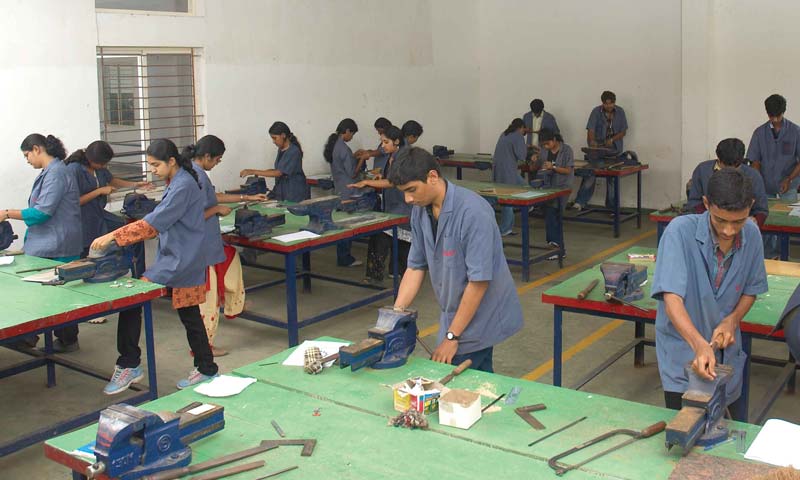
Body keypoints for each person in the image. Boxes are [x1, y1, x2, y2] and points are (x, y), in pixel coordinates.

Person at [91, 139, 219, 393]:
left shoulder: (183, 185)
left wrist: (113, 236)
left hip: (180, 260)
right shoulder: (179, 179)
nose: (152, 170)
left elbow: (155, 223)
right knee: (190, 314)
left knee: (132, 299)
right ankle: (207, 368)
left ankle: (129, 364)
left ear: (171, 161)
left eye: (155, 165)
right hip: (183, 256)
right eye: (150, 165)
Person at [388, 147, 523, 372]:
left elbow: (479, 282)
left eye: (412, 190)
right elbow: (415, 267)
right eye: (403, 192)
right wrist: (395, 315)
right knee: (475, 380)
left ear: (432, 177)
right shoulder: (421, 211)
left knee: (456, 375)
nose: (408, 199)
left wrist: (452, 336)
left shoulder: (473, 212)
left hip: (482, 313)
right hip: (454, 310)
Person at [651, 168, 767, 421]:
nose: (728, 231)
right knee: (686, 429)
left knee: (728, 430)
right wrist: (699, 344)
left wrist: (732, 320)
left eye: (738, 221)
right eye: (720, 220)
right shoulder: (679, 232)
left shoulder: (752, 234)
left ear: (750, 206)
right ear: (706, 204)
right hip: (683, 354)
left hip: (727, 358)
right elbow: (672, 299)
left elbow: (751, 289)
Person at [1, 134, 82, 352]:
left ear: (37, 149)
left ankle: (37, 337)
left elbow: (41, 212)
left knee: (54, 295)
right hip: (54, 240)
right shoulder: (52, 171)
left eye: (27, 155)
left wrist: (7, 213)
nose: (27, 160)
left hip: (58, 243)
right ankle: (64, 339)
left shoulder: (56, 173)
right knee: (58, 295)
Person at [188, 135, 262, 357]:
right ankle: (203, 348)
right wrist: (216, 210)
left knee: (231, 257)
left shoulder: (197, 173)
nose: (217, 164)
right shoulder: (195, 176)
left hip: (209, 243)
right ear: (207, 156)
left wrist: (246, 197)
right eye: (217, 160)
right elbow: (191, 216)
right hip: (200, 247)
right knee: (208, 298)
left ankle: (234, 304)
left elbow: (214, 196)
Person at [64, 140, 152, 324]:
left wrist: (136, 185)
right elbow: (74, 201)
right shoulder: (74, 170)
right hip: (83, 220)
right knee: (89, 261)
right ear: (91, 159)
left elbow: (112, 180)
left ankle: (136, 278)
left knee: (129, 233)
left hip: (99, 215)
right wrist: (99, 191)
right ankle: (89, 305)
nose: (104, 167)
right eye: (102, 163)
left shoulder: (100, 170)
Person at [348, 126, 411, 285]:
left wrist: (366, 182)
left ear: (397, 141)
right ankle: (387, 274)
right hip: (392, 206)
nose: (383, 145)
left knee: (391, 242)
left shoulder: (403, 157)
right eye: (382, 142)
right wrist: (379, 177)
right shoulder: (392, 156)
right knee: (387, 241)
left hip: (403, 207)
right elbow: (389, 178)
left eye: (386, 142)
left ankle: (395, 275)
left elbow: (392, 182)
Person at [687, 138, 769, 227]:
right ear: (718, 159)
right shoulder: (702, 170)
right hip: (708, 226)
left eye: (736, 167)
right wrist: (710, 220)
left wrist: (755, 221)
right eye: (725, 168)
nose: (730, 172)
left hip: (741, 228)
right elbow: (694, 201)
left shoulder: (753, 176)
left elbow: (761, 209)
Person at [573, 91, 628, 210]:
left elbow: (623, 131)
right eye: (606, 104)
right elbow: (591, 129)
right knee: (590, 174)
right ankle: (580, 202)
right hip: (597, 150)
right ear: (602, 103)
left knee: (612, 178)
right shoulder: (596, 112)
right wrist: (592, 142)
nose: (609, 106)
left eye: (611, 103)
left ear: (614, 102)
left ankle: (612, 208)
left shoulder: (620, 112)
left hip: (614, 150)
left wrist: (612, 139)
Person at [324, 118, 363, 267]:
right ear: (347, 131)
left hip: (339, 188)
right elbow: (352, 173)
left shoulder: (334, 145)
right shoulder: (344, 149)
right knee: (348, 225)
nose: (351, 137)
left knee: (341, 223)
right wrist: (361, 159)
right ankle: (345, 257)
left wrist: (354, 157)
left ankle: (343, 255)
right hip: (348, 189)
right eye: (352, 134)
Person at [747, 94, 800, 201]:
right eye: (771, 116)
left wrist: (789, 179)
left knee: (789, 211)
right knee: (765, 210)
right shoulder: (759, 133)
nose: (775, 119)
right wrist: (759, 182)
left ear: (783, 112)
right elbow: (755, 161)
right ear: (767, 113)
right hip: (765, 187)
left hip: (789, 185)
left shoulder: (796, 131)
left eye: (778, 116)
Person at [239, 122, 310, 202]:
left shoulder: (293, 151)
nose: (273, 141)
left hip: (295, 193)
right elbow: (277, 170)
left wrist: (252, 171)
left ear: (283, 135)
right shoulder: (281, 150)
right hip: (282, 192)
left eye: (275, 138)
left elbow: (279, 173)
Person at [535, 129, 574, 260]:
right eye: (543, 145)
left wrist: (553, 167)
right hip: (548, 187)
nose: (546, 146)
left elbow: (568, 170)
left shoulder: (566, 150)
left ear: (554, 139)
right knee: (549, 214)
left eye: (548, 143)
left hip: (563, 187)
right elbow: (537, 166)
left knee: (555, 215)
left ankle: (558, 248)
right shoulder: (544, 151)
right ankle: (553, 246)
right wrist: (534, 160)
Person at [493, 118, 529, 236]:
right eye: (524, 129)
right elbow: (522, 156)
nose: (524, 132)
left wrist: (526, 147)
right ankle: (504, 229)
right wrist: (530, 153)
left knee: (523, 187)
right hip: (508, 171)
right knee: (508, 200)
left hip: (500, 169)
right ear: (521, 127)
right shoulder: (518, 136)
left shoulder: (504, 133)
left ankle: (508, 227)